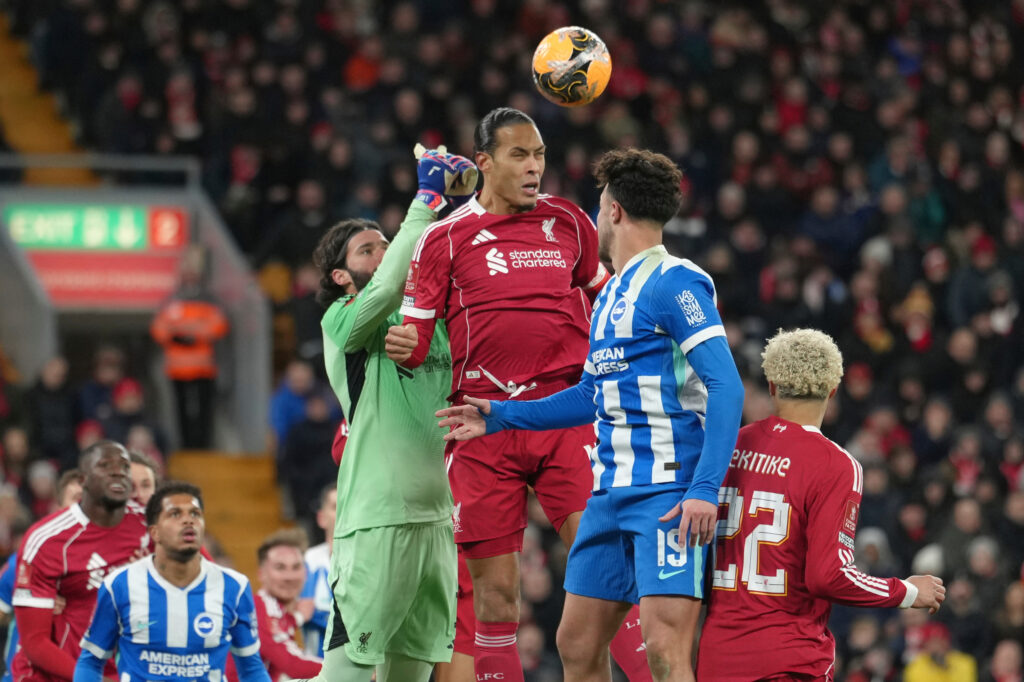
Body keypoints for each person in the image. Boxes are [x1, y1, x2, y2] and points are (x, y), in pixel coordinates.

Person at [432, 148, 745, 682]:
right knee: (576, 645)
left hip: (666, 494)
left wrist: (703, 490)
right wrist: (502, 416)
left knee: (663, 649)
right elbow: (590, 395)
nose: (597, 218)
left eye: (600, 207)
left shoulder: (676, 281)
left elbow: (727, 386)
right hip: (608, 495)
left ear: (614, 211)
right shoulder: (608, 294)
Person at [391, 109, 656, 682]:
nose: (534, 167)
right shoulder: (442, 239)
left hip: (565, 414)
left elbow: (605, 294)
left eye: (539, 155)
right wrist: (404, 346)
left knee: (608, 574)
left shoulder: (569, 222)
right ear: (484, 163)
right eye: (519, 155)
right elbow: (414, 342)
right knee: (495, 599)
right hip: (481, 423)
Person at [306, 143, 477, 682]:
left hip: (437, 522)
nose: (382, 253)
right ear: (341, 276)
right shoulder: (343, 322)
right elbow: (386, 286)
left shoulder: (433, 323)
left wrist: (467, 209)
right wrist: (425, 202)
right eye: (366, 250)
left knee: (412, 675)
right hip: (376, 522)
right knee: (349, 673)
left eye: (386, 244)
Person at [695, 328, 946, 680]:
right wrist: (907, 591)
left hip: (717, 657)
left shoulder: (728, 446)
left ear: (771, 386)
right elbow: (828, 576)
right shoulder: (835, 465)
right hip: (789, 660)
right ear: (832, 389)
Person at [72, 482, 271, 682]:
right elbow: (91, 662)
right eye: (175, 514)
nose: (189, 520)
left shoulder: (234, 587)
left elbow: (252, 669)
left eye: (195, 514)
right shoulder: (119, 585)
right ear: (155, 532)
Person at [11, 441, 150, 682]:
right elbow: (34, 642)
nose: (118, 472)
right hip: (57, 675)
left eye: (124, 466)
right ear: (83, 480)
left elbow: (209, 580)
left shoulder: (151, 528)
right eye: (105, 465)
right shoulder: (47, 541)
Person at [0, 470, 83, 682]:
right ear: (58, 508)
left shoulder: (111, 567)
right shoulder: (28, 558)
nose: (83, 508)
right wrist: (33, 603)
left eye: (87, 501)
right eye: (76, 499)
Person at [150, 244, 230, 449]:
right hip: (177, 368)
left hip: (204, 367)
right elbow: (159, 328)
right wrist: (189, 332)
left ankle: (203, 446)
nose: (190, 276)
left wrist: (184, 331)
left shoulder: (209, 300)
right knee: (181, 409)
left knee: (204, 409)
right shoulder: (172, 300)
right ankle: (186, 446)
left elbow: (218, 326)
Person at [244, 530, 322, 681]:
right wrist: (350, 671)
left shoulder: (279, 616)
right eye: (280, 567)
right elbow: (294, 665)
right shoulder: (257, 607)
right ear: (261, 574)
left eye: (296, 567)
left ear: (305, 573)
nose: (289, 577)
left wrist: (297, 618)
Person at [298, 484, 336, 657]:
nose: (344, 513)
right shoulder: (305, 562)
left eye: (349, 506)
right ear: (321, 518)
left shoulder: (374, 564)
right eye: (336, 507)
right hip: (316, 666)